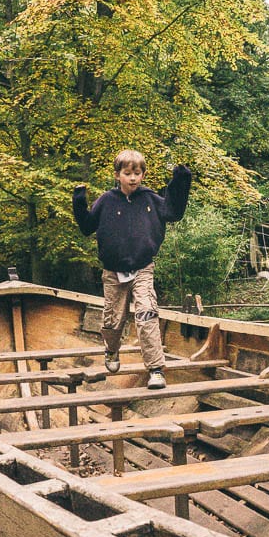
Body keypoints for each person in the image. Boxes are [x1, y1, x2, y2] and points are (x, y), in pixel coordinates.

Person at [73, 149, 192, 389]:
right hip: (113, 272)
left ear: (143, 175)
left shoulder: (150, 199)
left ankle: (156, 369)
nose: (133, 178)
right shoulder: (107, 200)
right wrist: (79, 201)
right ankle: (112, 350)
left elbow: (173, 212)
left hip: (143, 267)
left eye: (137, 173)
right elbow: (87, 227)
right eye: (128, 173)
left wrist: (180, 180)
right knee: (113, 319)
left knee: (147, 313)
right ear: (118, 175)